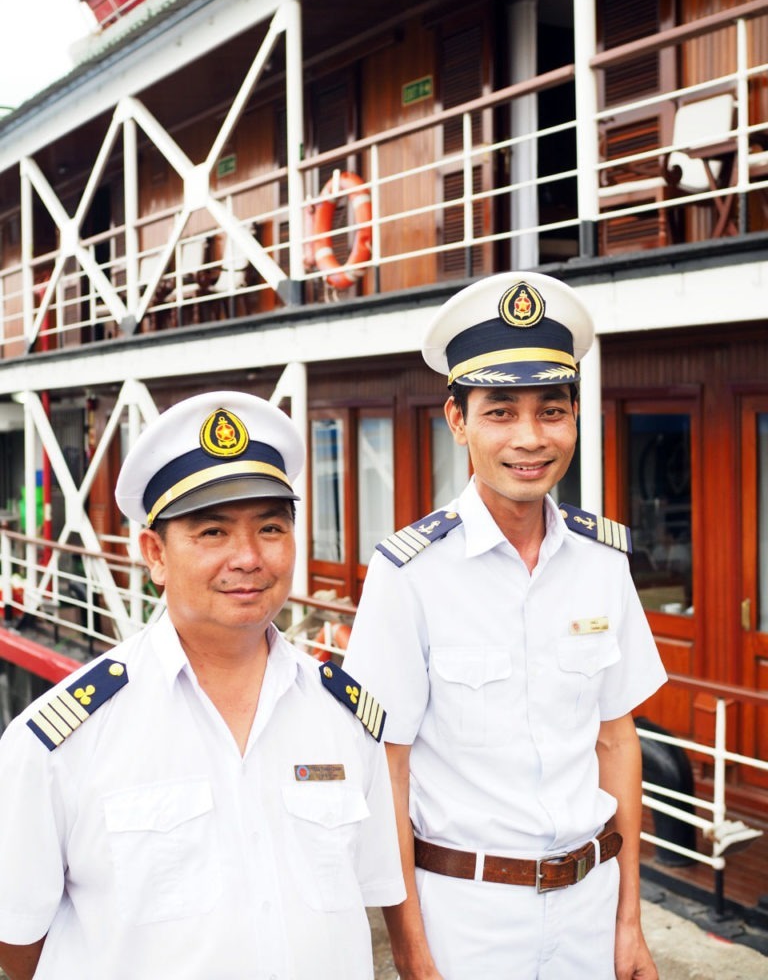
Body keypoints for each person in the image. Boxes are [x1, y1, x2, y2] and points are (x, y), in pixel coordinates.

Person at [0, 390, 404, 980]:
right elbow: (17, 943)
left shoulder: (345, 715)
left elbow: (362, 889)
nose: (247, 557)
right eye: (212, 532)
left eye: (270, 527)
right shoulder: (60, 739)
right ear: (154, 554)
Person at [343, 272, 668, 980]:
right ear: (458, 421)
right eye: (500, 413)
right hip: (467, 915)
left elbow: (617, 739)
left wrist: (629, 921)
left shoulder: (602, 560)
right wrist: (413, 953)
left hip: (591, 903)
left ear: (575, 418)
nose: (530, 439)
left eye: (552, 411)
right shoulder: (408, 574)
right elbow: (388, 773)